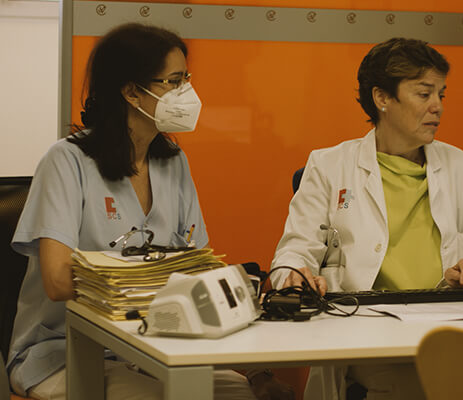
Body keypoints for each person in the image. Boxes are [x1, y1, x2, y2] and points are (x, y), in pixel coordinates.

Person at [7, 23, 292, 400]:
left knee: (236, 393)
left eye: (185, 79)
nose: (185, 93)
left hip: (155, 348)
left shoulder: (173, 163)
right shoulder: (66, 161)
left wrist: (256, 371)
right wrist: (158, 281)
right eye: (173, 82)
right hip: (66, 351)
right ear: (130, 92)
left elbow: (199, 273)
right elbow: (58, 282)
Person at [270, 38, 463, 399]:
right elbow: (292, 256)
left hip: (445, 325)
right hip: (365, 329)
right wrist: (295, 278)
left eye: (441, 94)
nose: (437, 107)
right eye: (424, 94)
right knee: (425, 385)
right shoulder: (330, 165)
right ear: (382, 99)